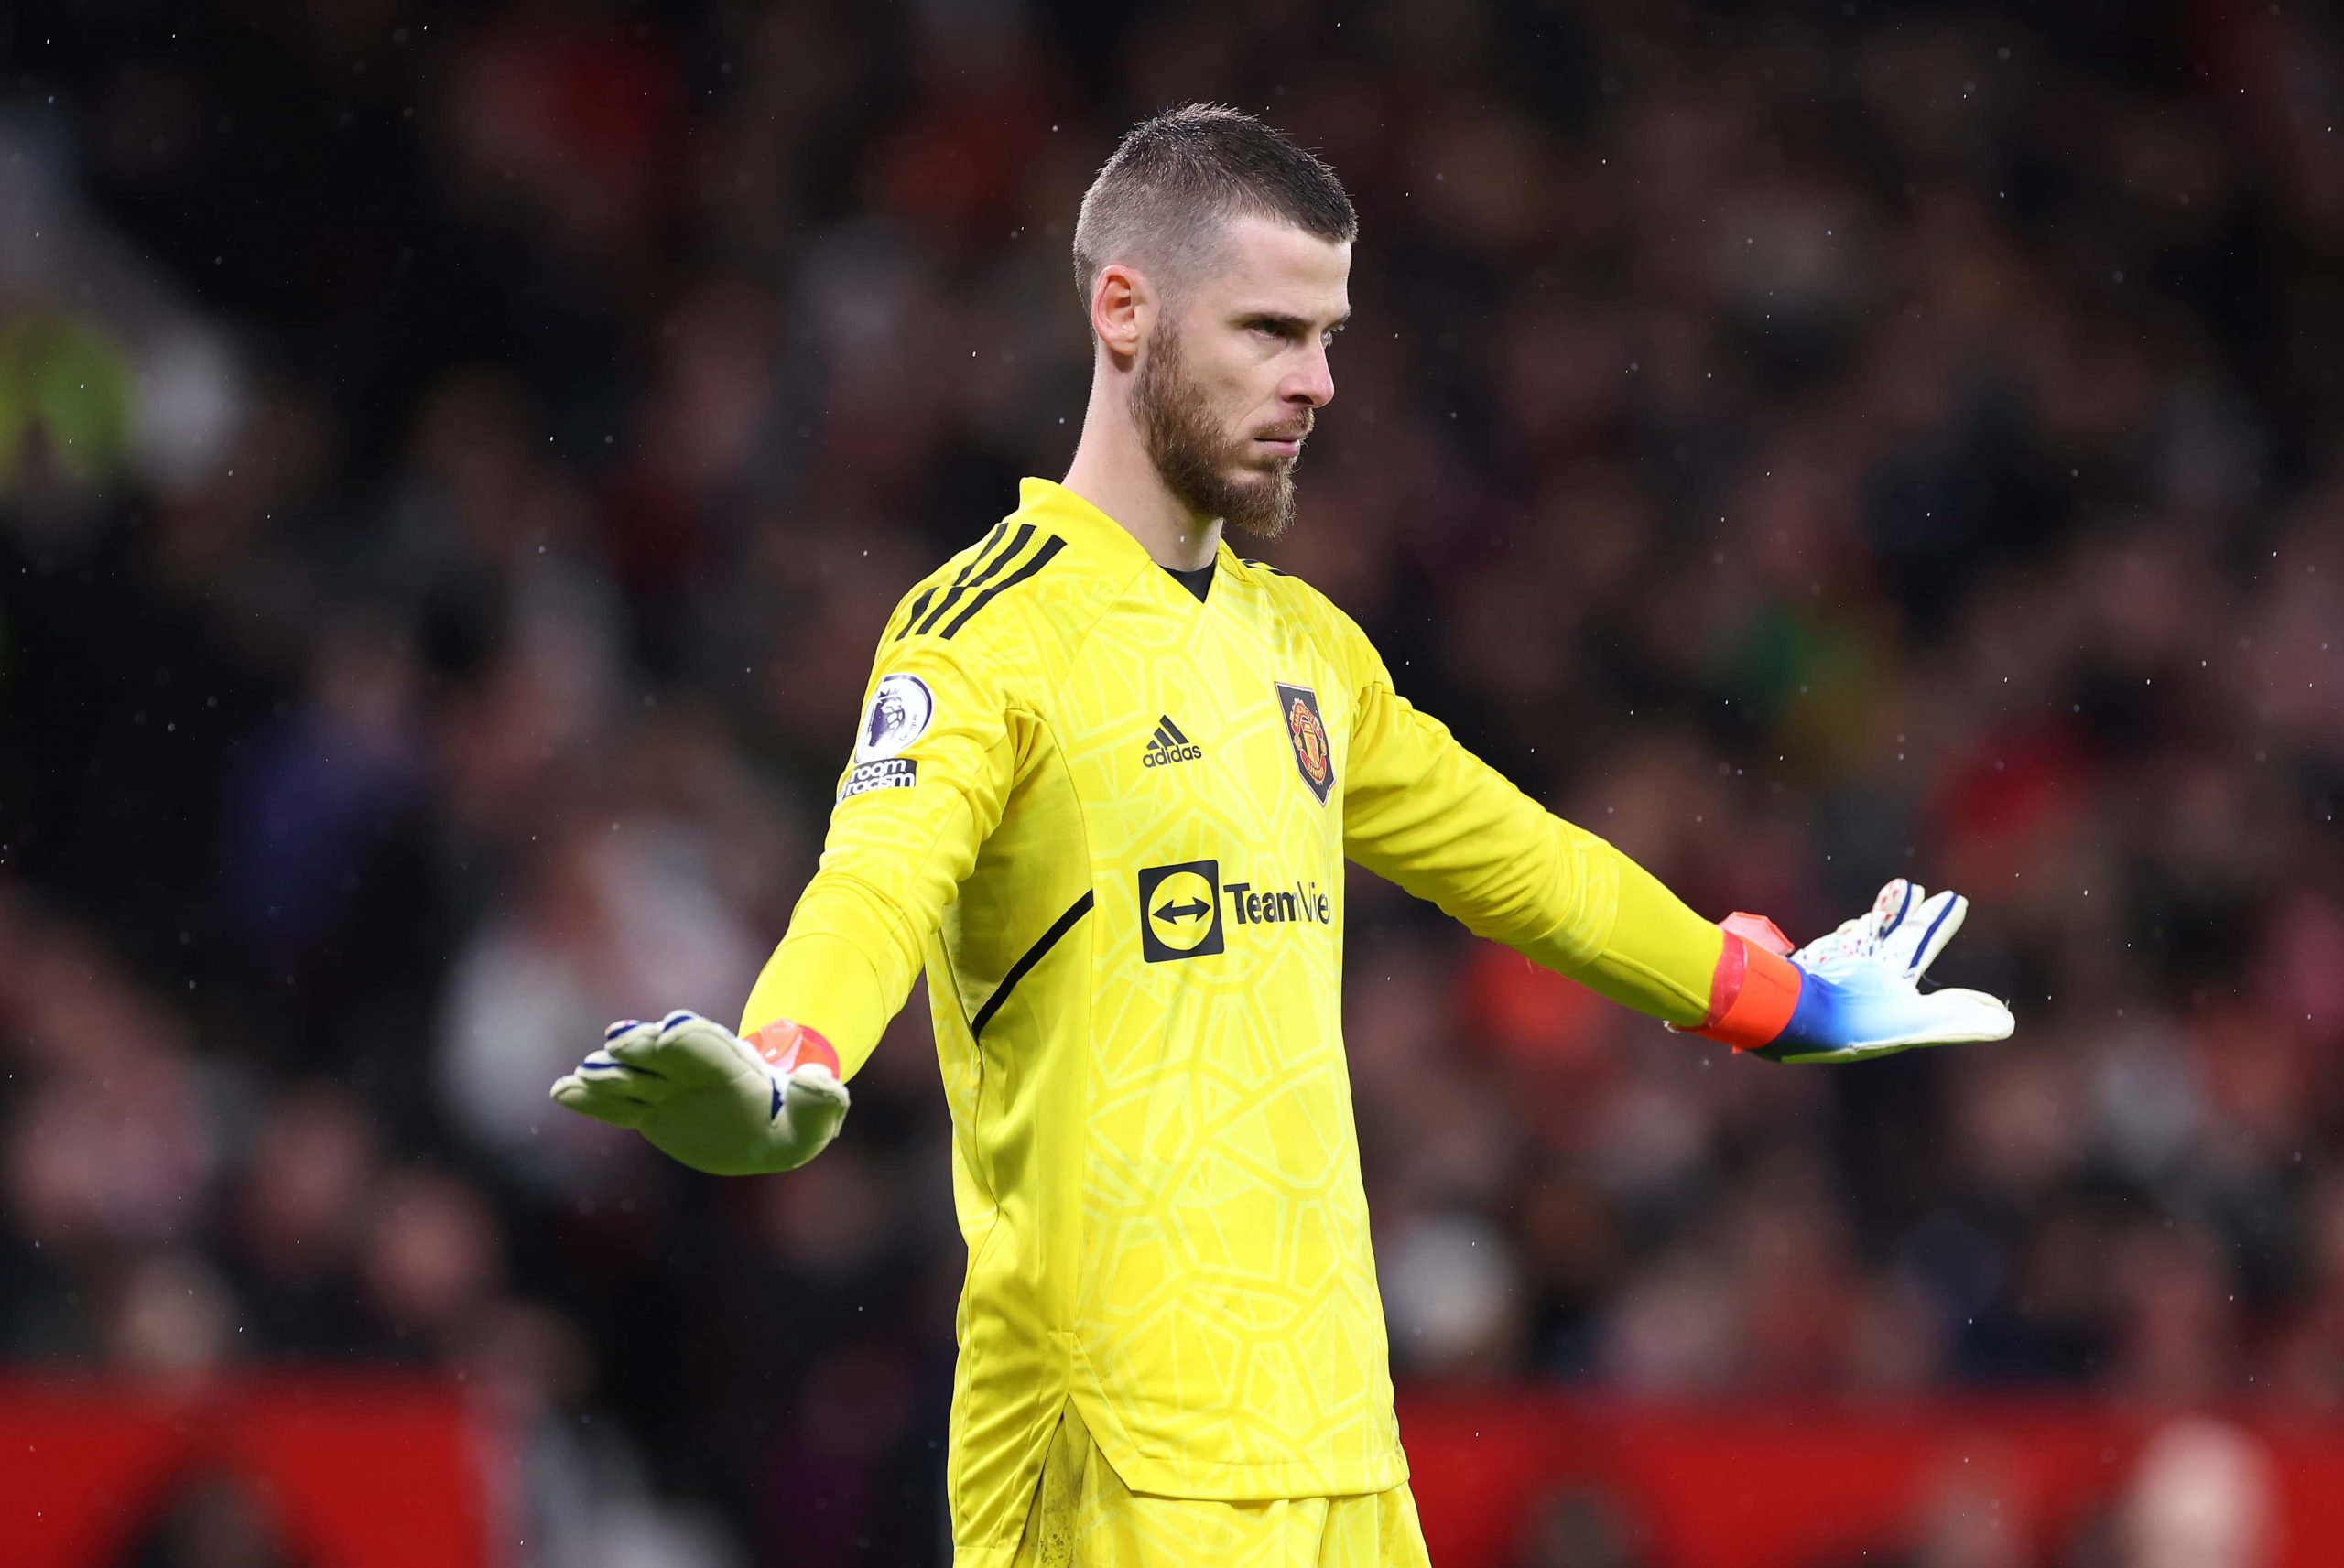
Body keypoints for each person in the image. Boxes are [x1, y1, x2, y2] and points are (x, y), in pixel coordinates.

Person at [550, 103, 2013, 1568]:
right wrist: (791, 1053)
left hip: (1340, 1452)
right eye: (1268, 330)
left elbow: (1532, 868)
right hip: (1114, 1454)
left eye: (1326, 337)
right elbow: (874, 883)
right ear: (1125, 311)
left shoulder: (1304, 646)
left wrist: (1785, 1002)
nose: (1316, 381)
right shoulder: (988, 632)